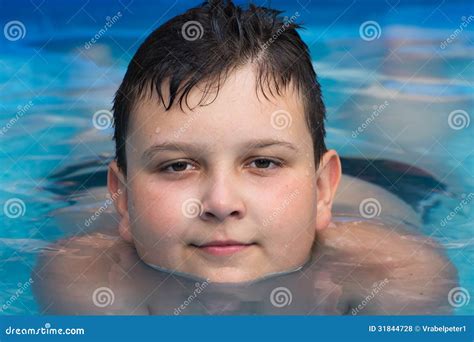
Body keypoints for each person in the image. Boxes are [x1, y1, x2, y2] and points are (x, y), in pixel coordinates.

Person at [33, 0, 456, 315]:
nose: (221, 203)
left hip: (385, 180)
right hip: (87, 183)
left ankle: (408, 54)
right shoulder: (87, 281)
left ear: (323, 187)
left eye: (263, 162)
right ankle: (87, 62)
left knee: (401, 130)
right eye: (178, 166)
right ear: (121, 199)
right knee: (90, 130)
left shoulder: (396, 277)